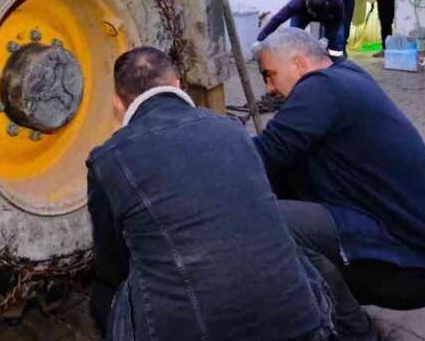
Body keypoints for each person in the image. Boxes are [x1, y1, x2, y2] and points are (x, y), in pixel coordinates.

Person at [87, 47, 333, 341]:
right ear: (177, 84)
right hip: (304, 324)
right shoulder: (233, 130)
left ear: (117, 102)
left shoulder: (107, 159)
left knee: (104, 293)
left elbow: (112, 263)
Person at [253, 29, 425, 341]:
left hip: (416, 266)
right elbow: (279, 158)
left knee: (271, 224)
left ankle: (357, 333)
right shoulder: (346, 75)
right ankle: (324, 304)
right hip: (419, 254)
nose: (269, 88)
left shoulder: (322, 87)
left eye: (270, 75)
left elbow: (265, 152)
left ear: (298, 63)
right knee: (283, 185)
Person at [257, 0, 346, 58]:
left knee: (337, 38)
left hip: (328, 14)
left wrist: (326, 38)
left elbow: (337, 21)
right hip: (303, 14)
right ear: (306, 4)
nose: (315, 17)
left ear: (326, 4)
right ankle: (294, 61)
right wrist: (260, 39)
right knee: (293, 38)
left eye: (317, 14)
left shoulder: (336, 1)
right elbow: (277, 19)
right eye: (313, 14)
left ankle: (337, 62)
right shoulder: (296, 4)